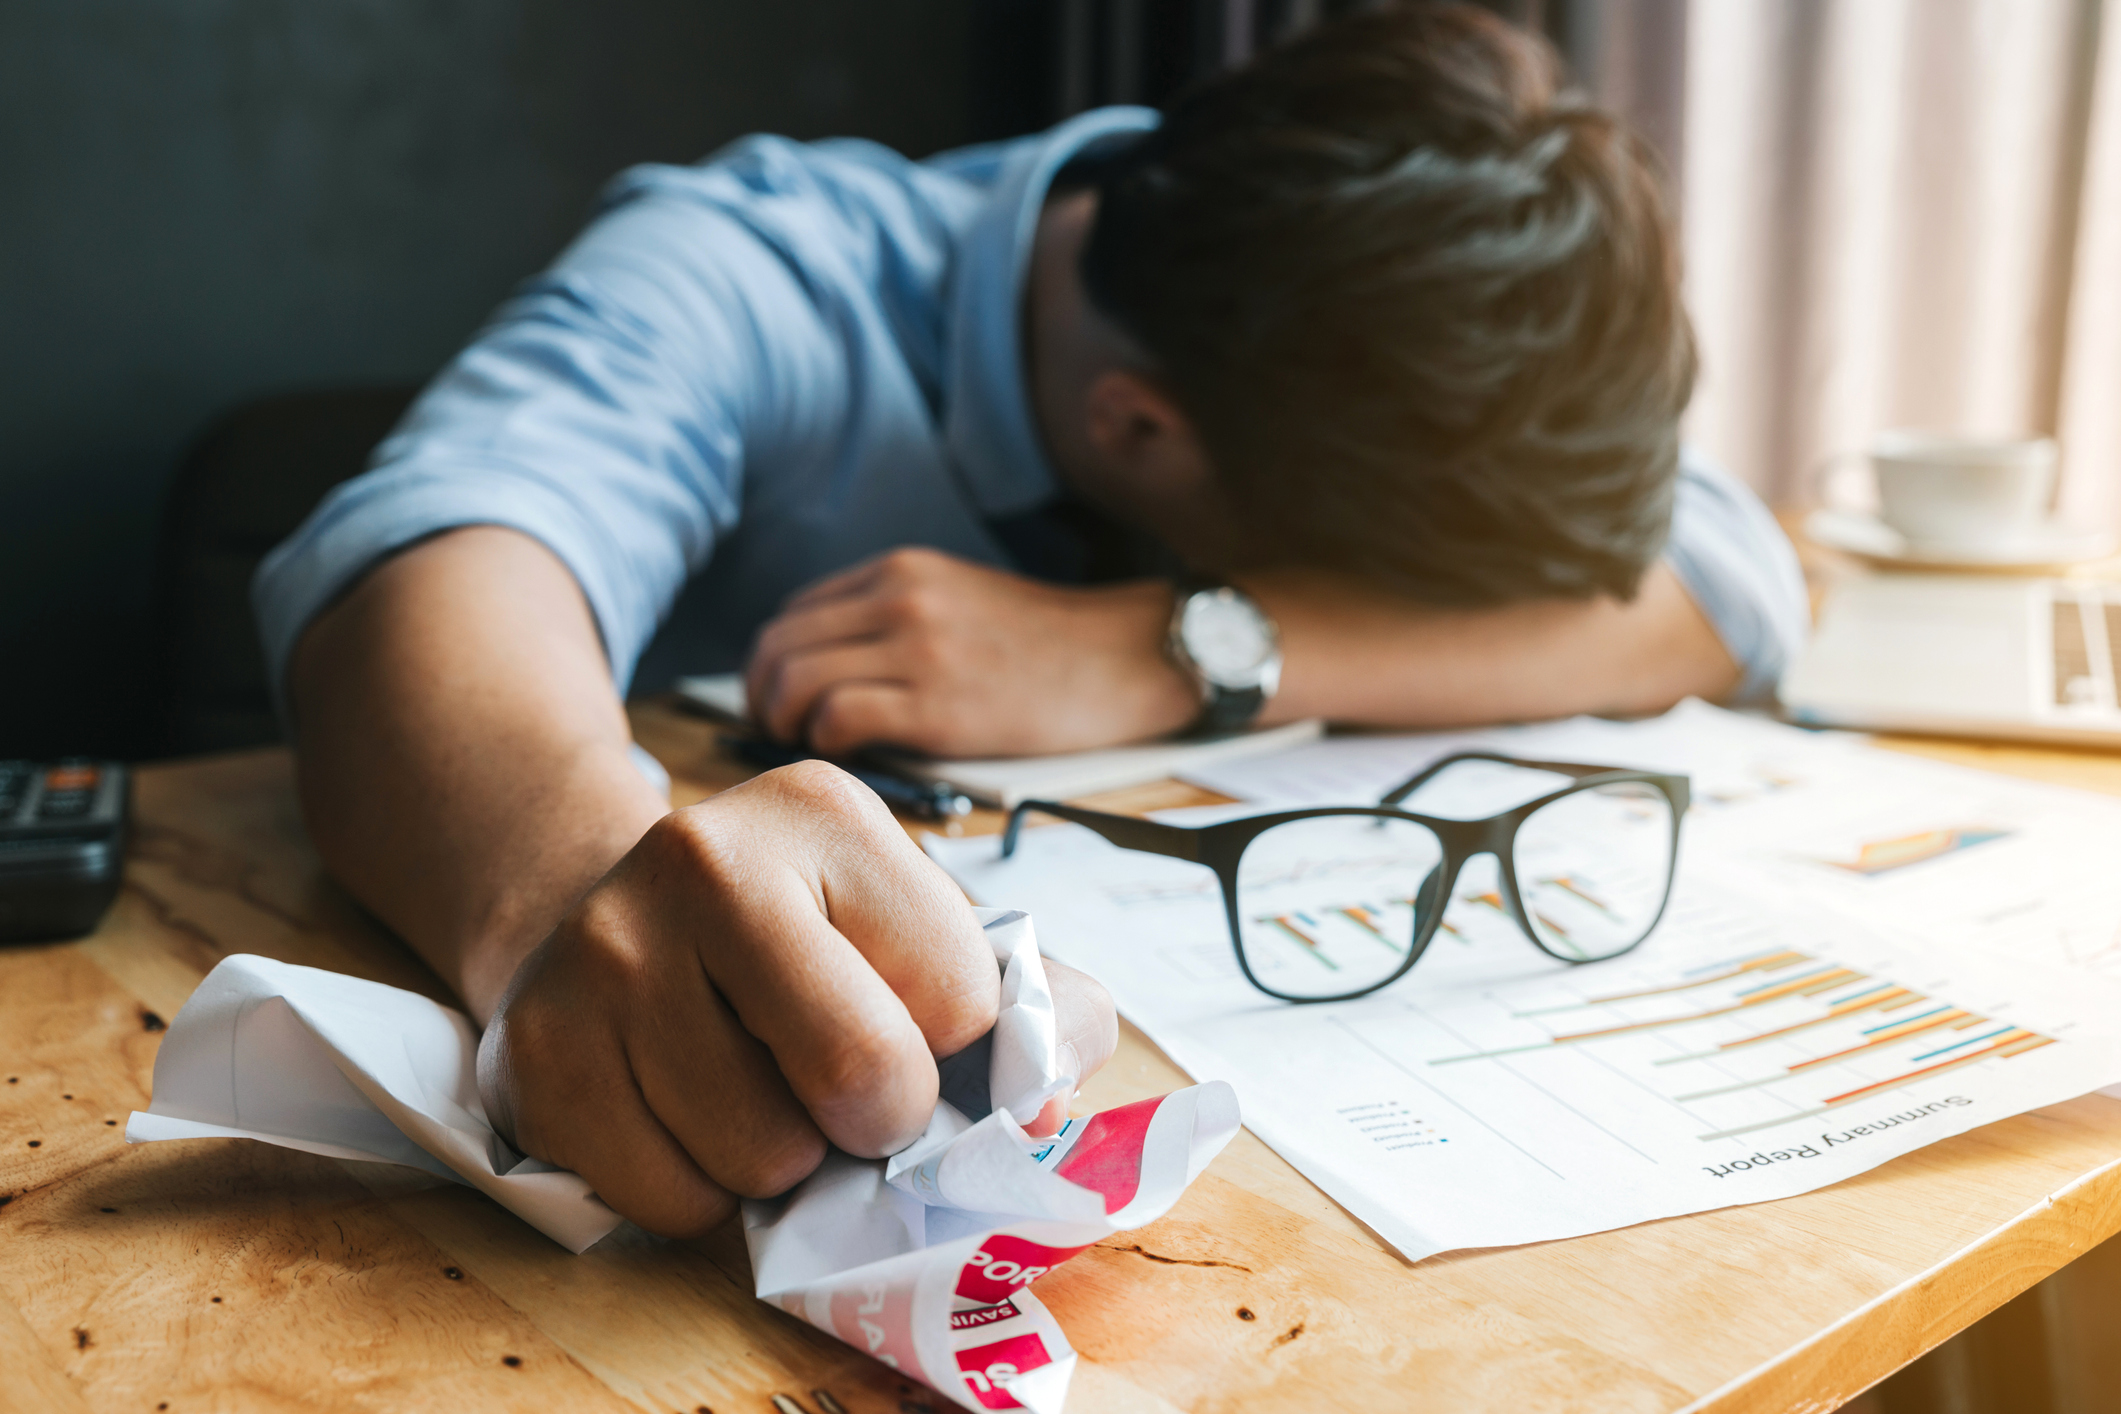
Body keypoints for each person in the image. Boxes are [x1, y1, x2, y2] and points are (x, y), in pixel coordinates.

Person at [258, 4, 1806, 1236]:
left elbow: (1728, 578)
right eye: (1349, 565)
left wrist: (1176, 646)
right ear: (1135, 430)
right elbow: (431, 574)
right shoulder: (752, 272)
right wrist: (585, 895)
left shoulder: (1381, 308)